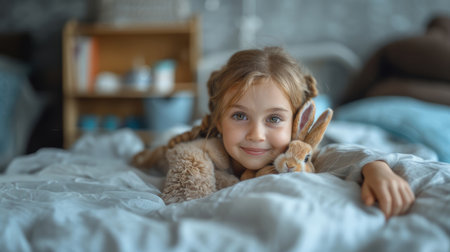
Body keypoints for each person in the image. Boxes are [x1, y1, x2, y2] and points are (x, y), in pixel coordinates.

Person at [135, 46, 415, 218]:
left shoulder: (295, 153)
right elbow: (184, 185)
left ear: (296, 124)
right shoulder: (207, 151)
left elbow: (338, 155)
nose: (256, 134)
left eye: (274, 119)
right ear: (219, 121)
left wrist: (377, 169)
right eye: (240, 115)